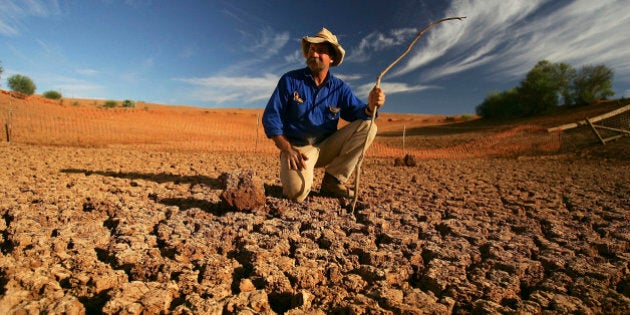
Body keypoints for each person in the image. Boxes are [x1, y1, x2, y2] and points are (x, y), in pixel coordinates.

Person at [262, 27, 386, 202]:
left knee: (369, 126)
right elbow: (271, 116)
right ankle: (301, 175)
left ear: (332, 58)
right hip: (298, 150)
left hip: (327, 146)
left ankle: (333, 181)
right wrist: (286, 148)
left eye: (321, 51)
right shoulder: (290, 80)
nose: (314, 54)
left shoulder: (340, 88)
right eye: (312, 49)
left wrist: (372, 106)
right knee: (295, 194)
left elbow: (358, 112)